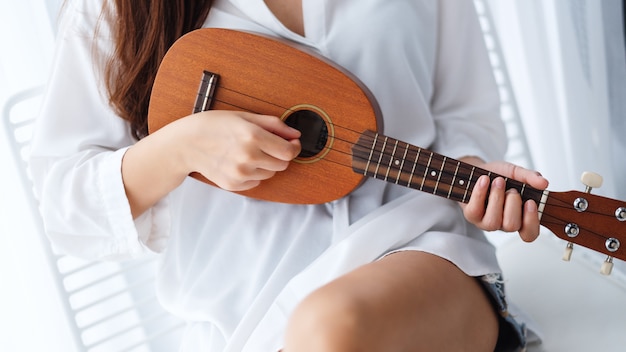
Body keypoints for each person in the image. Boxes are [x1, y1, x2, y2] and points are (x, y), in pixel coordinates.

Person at [30, 0, 549, 351]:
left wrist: (477, 179)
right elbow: (64, 203)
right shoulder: (117, 10)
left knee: (330, 327)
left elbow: (464, 117)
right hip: (239, 311)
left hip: (418, 253)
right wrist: (181, 148)